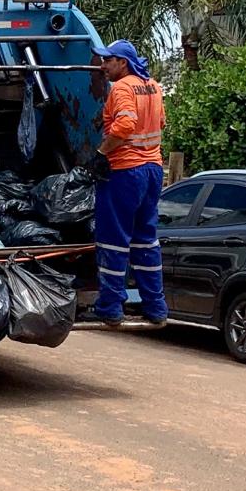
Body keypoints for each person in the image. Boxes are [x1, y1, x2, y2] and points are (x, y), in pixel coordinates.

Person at [84, 39, 168, 326]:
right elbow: (161, 124)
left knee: (114, 239)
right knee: (146, 239)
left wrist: (100, 153)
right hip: (153, 169)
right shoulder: (154, 87)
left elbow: (125, 125)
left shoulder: (121, 88)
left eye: (109, 60)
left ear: (123, 62)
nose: (103, 66)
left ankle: (110, 306)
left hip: (124, 171)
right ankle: (155, 306)